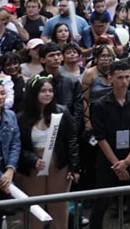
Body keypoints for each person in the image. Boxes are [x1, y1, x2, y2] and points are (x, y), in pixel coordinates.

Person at [15, 75, 81, 229]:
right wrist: (31, 159)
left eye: (51, 91)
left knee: (58, 207)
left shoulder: (62, 112)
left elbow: (71, 140)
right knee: (35, 208)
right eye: (43, 91)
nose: (48, 94)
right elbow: (17, 145)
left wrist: (74, 166)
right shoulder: (21, 117)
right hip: (33, 167)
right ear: (33, 94)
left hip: (58, 164)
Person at [89, 60, 130, 229]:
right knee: (102, 202)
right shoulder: (100, 105)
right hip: (108, 160)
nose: (124, 81)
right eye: (120, 77)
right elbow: (100, 137)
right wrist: (117, 164)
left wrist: (127, 161)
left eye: (127, 77)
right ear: (110, 79)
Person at [0, 81, 20, 229]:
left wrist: (10, 169)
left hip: (5, 171)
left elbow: (15, 144)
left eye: (2, 93)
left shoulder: (11, 115)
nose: (0, 97)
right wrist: (2, 179)